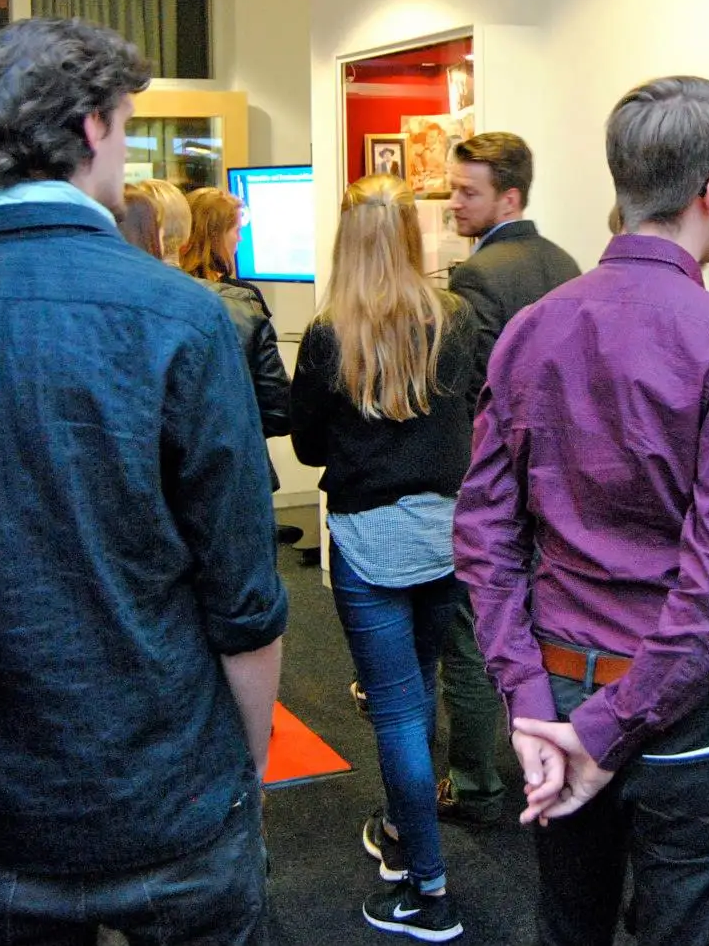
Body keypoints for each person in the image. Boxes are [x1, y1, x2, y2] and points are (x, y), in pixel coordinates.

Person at [0, 18, 286, 946]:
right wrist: (245, 771)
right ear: (91, 127)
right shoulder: (182, 315)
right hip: (171, 781)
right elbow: (242, 590)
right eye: (125, 124)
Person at [456, 75, 709, 946]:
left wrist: (533, 700)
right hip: (684, 713)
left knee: (569, 926)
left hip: (560, 695)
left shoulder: (531, 328)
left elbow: (484, 536)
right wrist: (601, 727)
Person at [291, 173, 476, 941]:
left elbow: (307, 444)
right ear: (408, 234)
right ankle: (404, 832)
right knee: (419, 691)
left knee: (396, 712)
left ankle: (429, 889)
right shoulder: (453, 318)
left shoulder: (329, 333)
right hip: (443, 535)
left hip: (368, 542)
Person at [435, 131, 582, 829]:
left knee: (472, 634)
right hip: (564, 480)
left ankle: (474, 779)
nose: (453, 202)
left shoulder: (477, 277)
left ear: (510, 197)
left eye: (468, 191)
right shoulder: (566, 262)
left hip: (502, 486)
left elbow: (477, 397)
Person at [185, 186, 291, 450]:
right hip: (236, 454)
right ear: (215, 236)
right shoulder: (244, 301)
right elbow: (278, 409)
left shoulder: (159, 295)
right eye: (237, 231)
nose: (240, 240)